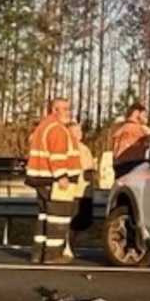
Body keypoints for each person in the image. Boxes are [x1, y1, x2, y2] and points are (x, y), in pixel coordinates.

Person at [25, 98, 81, 264]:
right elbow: (57, 156)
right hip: (54, 180)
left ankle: (38, 253)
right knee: (59, 216)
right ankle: (53, 254)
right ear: (55, 110)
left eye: (69, 109)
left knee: (44, 216)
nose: (68, 112)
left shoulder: (42, 127)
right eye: (65, 109)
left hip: (41, 178)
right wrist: (61, 176)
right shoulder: (57, 129)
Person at [66, 121, 96, 258]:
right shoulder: (68, 147)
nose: (80, 134)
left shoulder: (84, 148)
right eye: (76, 131)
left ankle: (72, 245)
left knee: (80, 223)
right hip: (74, 191)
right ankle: (66, 245)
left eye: (80, 131)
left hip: (86, 191)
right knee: (71, 222)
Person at [111, 103, 150, 177]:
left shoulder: (120, 130)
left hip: (119, 166)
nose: (146, 118)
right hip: (133, 166)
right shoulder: (137, 129)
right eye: (144, 115)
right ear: (136, 113)